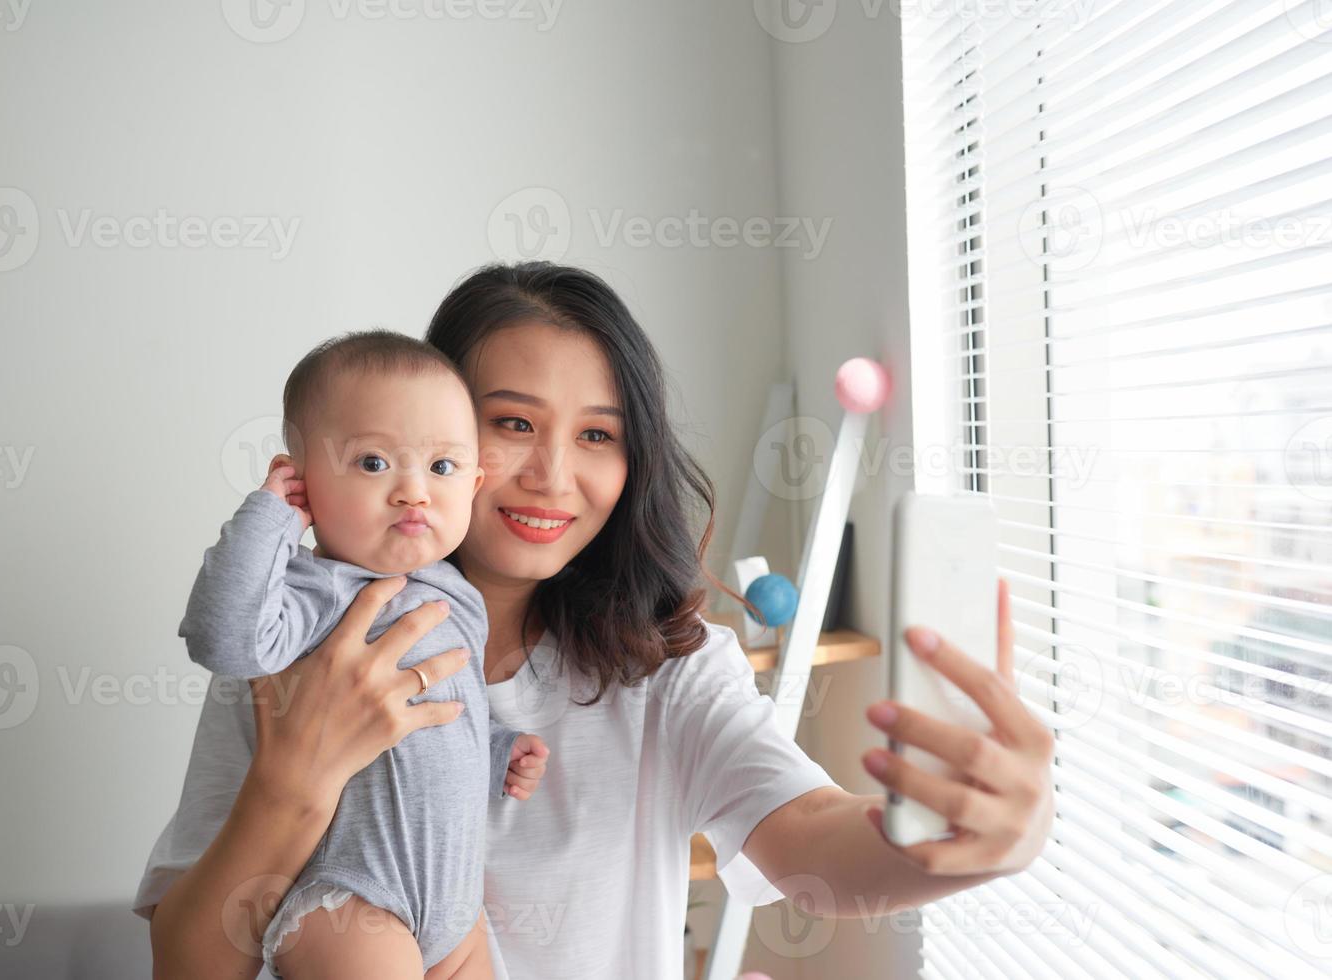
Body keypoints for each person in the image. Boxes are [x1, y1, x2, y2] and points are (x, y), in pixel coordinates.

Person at [138, 262, 1055, 980]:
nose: (551, 476)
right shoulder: (297, 635)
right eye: (510, 423)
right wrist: (298, 780)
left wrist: (961, 843)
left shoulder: (673, 669)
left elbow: (814, 838)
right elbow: (189, 964)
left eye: (597, 436)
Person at [170, 329, 549, 977]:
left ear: (475, 481)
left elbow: (448, 711)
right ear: (304, 482)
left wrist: (496, 748)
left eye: (442, 467)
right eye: (373, 463)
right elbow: (223, 638)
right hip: (352, 903)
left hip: (455, 908)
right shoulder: (312, 592)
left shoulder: (456, 596)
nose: (412, 491)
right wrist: (271, 519)